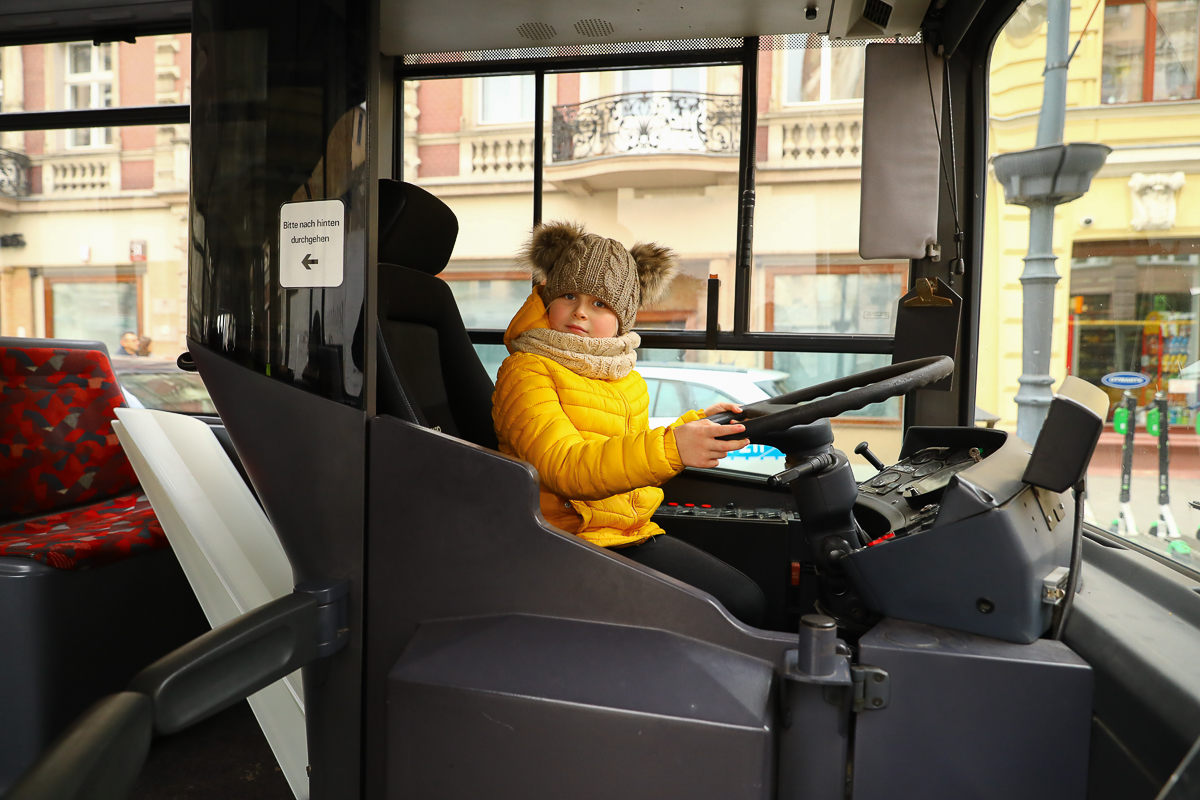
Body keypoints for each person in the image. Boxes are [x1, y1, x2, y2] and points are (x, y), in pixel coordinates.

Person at [492, 221, 768, 627]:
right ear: (549, 298)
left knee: (751, 586)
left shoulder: (623, 377)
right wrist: (674, 447)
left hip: (625, 529)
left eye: (601, 303)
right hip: (564, 540)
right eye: (569, 295)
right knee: (741, 603)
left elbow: (626, 444)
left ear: (623, 318)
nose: (581, 311)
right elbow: (564, 465)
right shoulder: (526, 370)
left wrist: (692, 425)